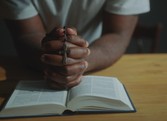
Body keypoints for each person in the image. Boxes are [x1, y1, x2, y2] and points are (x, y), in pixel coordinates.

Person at [0, 0, 150, 89]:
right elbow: (27, 34)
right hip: (38, 63)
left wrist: (80, 61)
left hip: (98, 59)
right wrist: (59, 59)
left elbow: (118, 34)